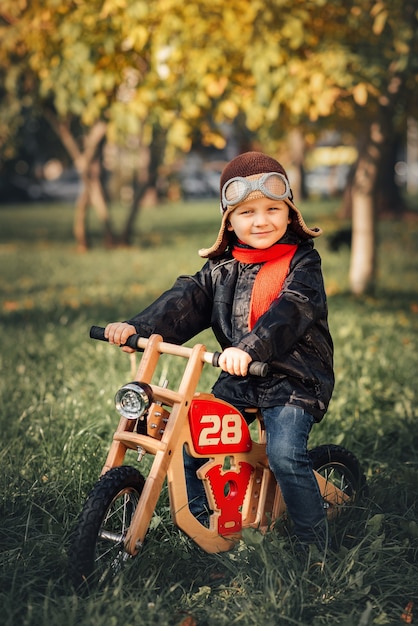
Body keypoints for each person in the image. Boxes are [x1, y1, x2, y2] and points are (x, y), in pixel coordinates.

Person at [105, 151, 334, 552]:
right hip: (242, 377)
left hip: (295, 378)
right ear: (228, 221)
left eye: (271, 209)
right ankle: (205, 527)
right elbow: (185, 301)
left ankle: (316, 549)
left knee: (283, 455)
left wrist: (249, 347)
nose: (260, 220)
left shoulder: (303, 262)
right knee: (190, 445)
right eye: (246, 213)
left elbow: (292, 309)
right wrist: (138, 327)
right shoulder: (221, 268)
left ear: (289, 212)